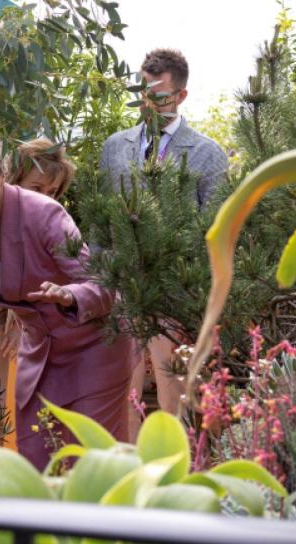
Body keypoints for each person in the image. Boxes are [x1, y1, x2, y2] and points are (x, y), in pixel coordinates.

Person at [0, 126, 134, 470]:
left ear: (4, 175)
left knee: (89, 467)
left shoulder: (45, 215)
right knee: (34, 459)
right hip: (42, 354)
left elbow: (105, 285)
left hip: (95, 349)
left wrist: (70, 294)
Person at [98, 48, 230, 424]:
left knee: (176, 402)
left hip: (174, 300)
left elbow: (213, 234)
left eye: (159, 94)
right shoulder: (114, 147)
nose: (148, 101)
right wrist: (101, 281)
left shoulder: (208, 154)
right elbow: (102, 222)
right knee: (122, 399)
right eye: (143, 91)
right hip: (121, 294)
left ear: (181, 95)